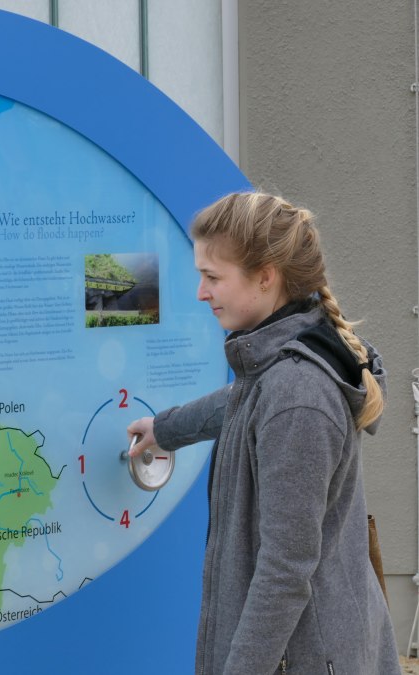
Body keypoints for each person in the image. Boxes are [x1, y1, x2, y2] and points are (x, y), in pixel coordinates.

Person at [127, 191, 399, 674]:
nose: (200, 293)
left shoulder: (297, 396)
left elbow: (285, 572)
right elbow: (242, 402)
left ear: (266, 276)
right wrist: (164, 429)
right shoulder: (281, 363)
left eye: (212, 277)